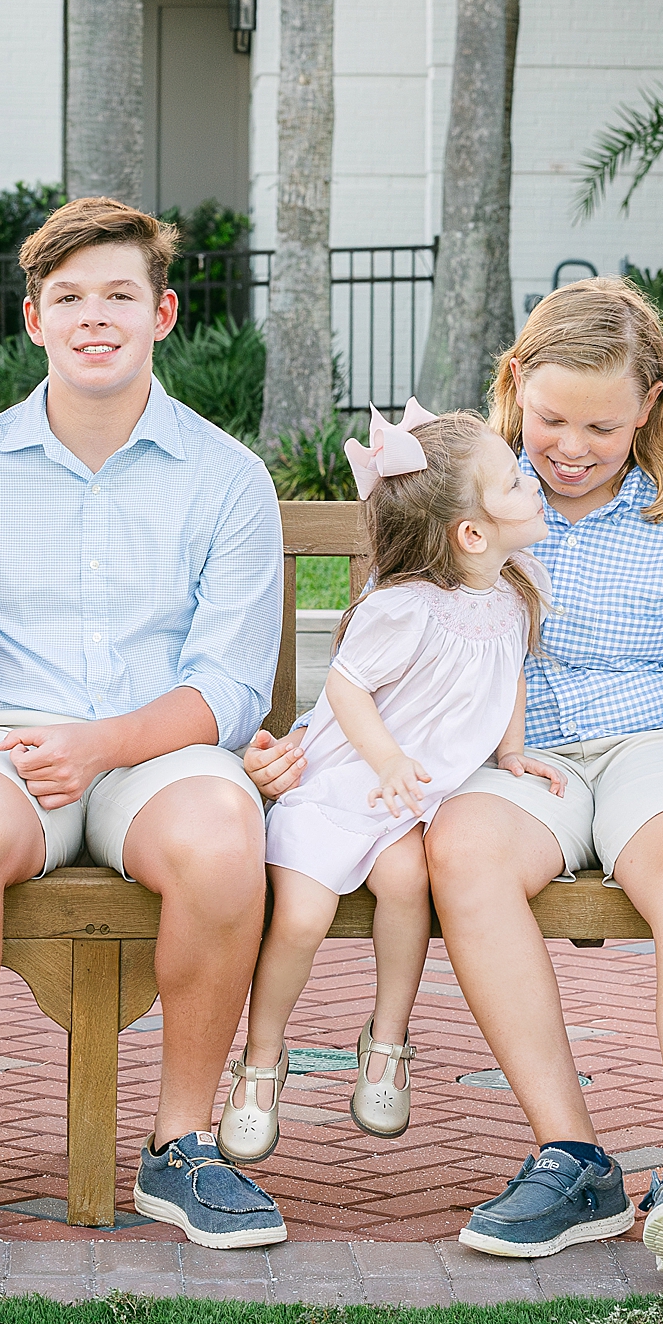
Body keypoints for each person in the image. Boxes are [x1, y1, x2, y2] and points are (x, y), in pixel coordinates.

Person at [244, 278, 663, 1272]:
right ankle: (570, 1151)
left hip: (646, 743)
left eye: (604, 425)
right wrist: (308, 748)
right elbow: (384, 663)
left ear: (650, 407)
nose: (572, 445)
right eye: (550, 420)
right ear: (513, 387)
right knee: (461, 851)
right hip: (508, 757)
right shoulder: (463, 505)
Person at [0, 197, 287, 1252]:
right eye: (70, 298)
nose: (96, 316)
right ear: (35, 318)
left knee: (226, 844)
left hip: (164, 747)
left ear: (163, 313)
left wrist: (103, 744)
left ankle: (182, 1141)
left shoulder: (228, 478)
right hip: (3, 739)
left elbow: (229, 684)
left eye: (119, 295)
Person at [220, 405, 549, 1170]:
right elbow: (345, 689)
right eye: (511, 478)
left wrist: (513, 751)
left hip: (405, 802)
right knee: (300, 916)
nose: (529, 482)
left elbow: (511, 674)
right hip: (347, 782)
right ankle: (262, 1056)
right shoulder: (404, 607)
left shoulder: (511, 587)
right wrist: (391, 760)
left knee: (407, 882)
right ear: (471, 532)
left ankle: (388, 1039)